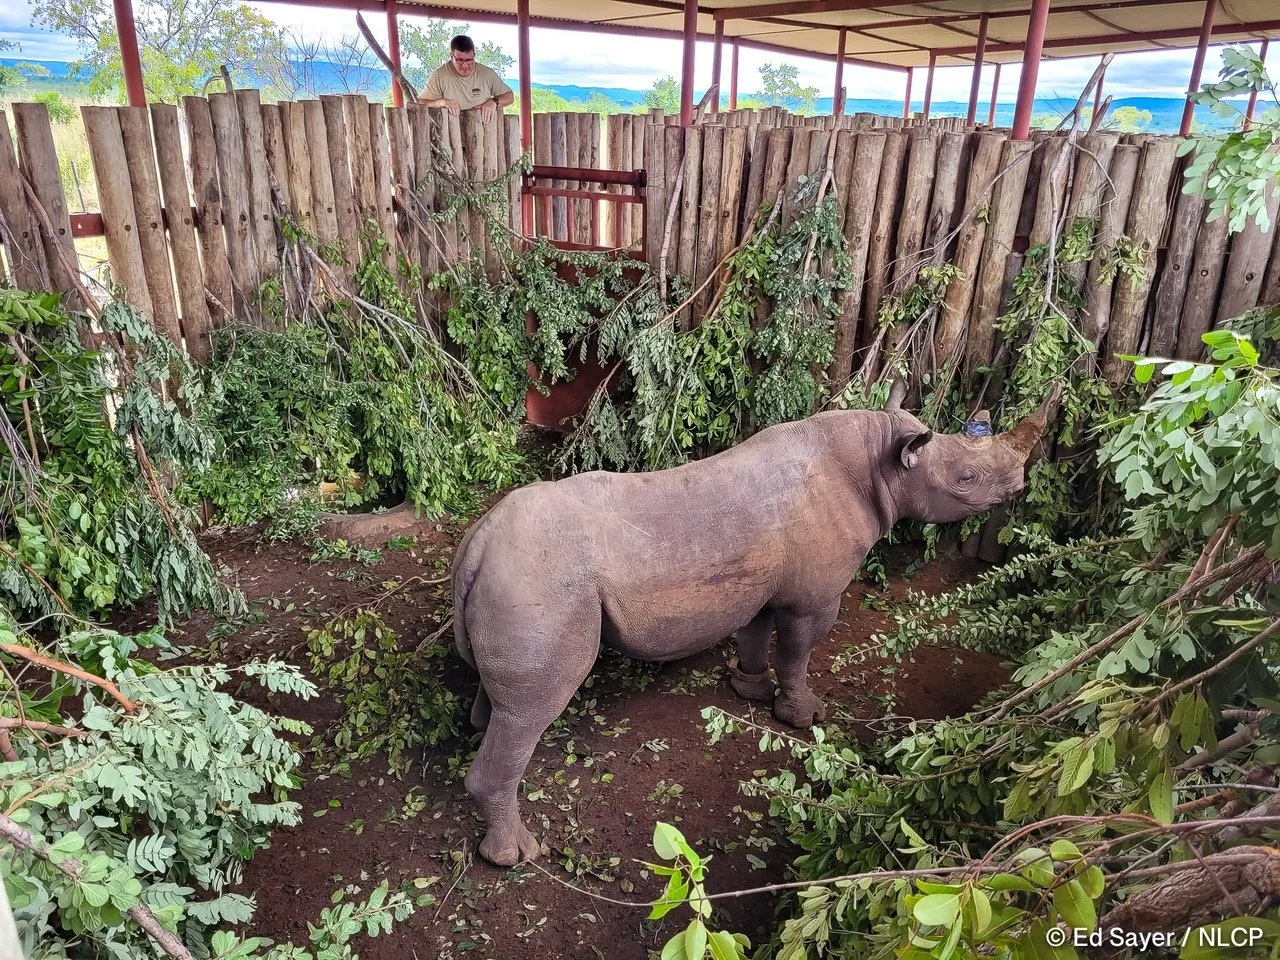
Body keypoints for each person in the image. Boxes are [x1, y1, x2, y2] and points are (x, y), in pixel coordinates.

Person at [420, 35, 514, 123]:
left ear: (474, 55)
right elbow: (422, 102)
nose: (465, 65)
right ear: (451, 56)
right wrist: (442, 102)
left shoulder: (487, 74)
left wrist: (494, 102)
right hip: (449, 132)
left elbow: (509, 97)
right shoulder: (439, 75)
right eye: (460, 60)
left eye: (469, 60)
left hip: (484, 133)